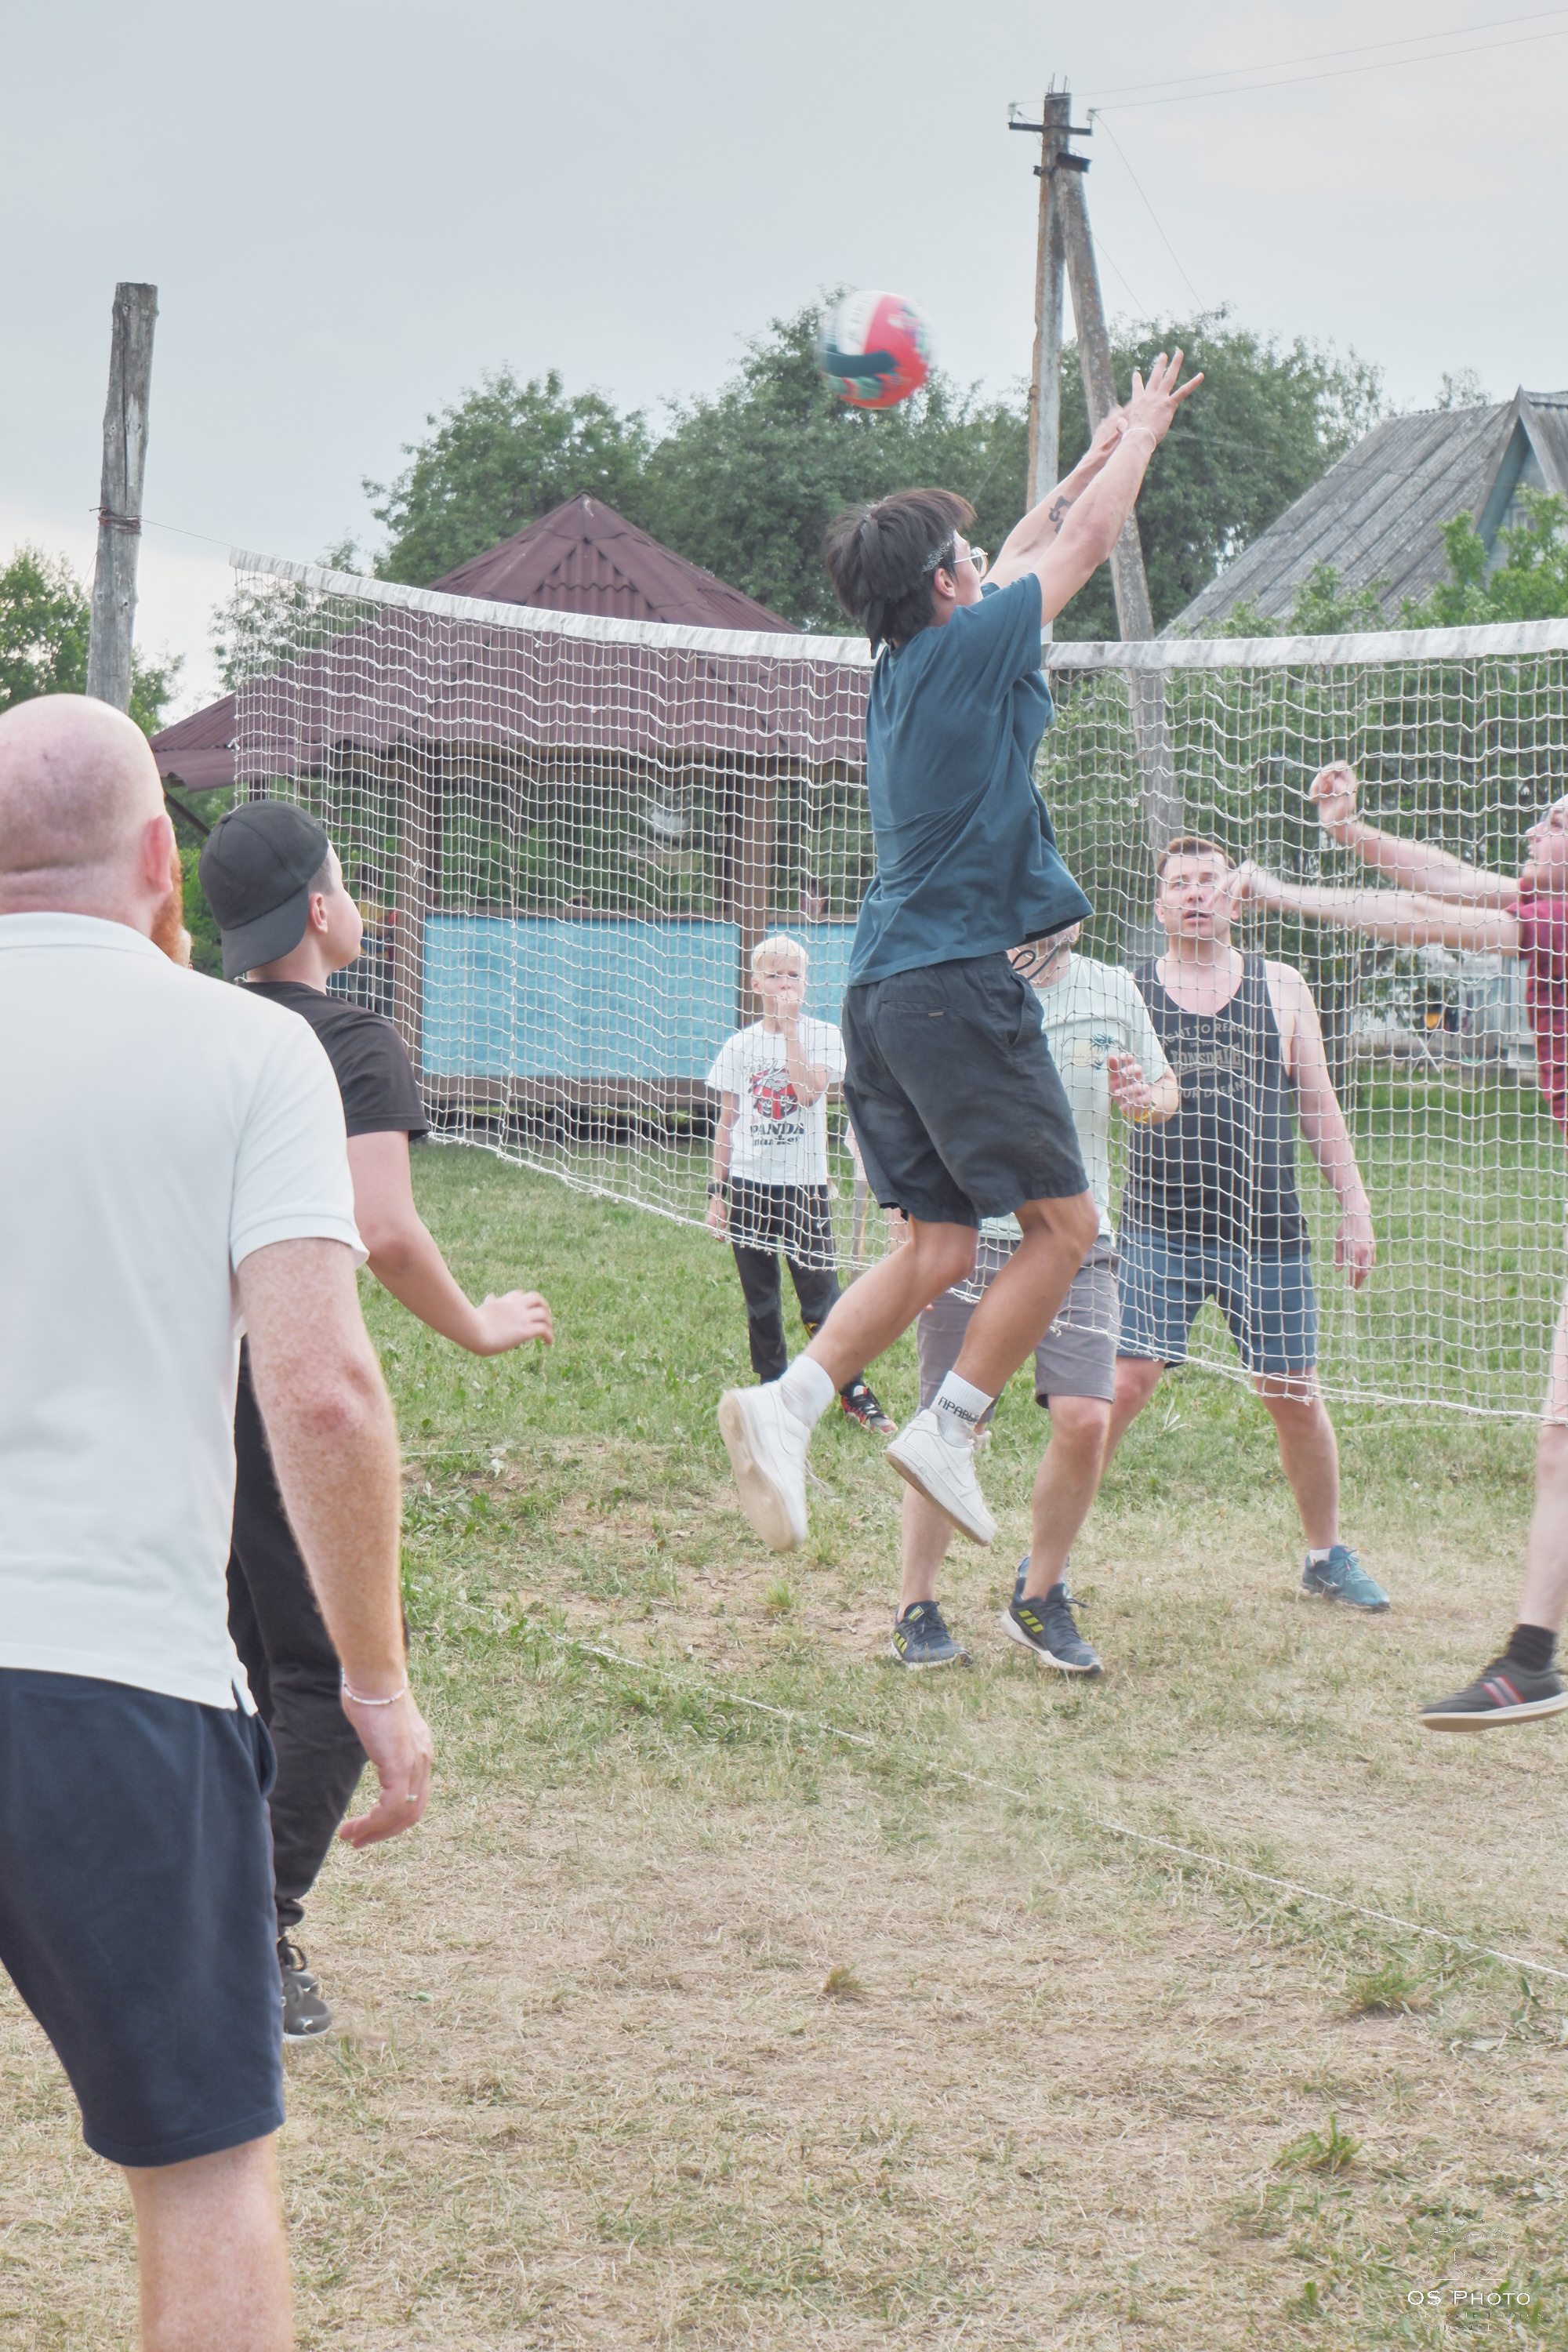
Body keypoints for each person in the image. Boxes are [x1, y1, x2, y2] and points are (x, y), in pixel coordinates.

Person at [0, 695, 432, 2350]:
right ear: (157, 858)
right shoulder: (251, 1046)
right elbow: (320, 1389)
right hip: (116, 1676)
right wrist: (376, 1687)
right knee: (204, 2173)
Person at [717, 351, 1203, 1555]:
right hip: (948, 983)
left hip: (879, 988)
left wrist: (1091, 452)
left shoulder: (900, 666)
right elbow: (1079, 544)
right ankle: (954, 1426)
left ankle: (788, 1407)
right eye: (968, 564)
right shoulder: (971, 643)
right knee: (1066, 1230)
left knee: (939, 1244)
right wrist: (1138, 435)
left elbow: (1032, 534)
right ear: (947, 583)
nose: (987, 570)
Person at [198, 799, 553, 2036]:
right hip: (279, 1381)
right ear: (316, 910)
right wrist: (478, 1323)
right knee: (331, 1678)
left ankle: (216, 1913)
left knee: (233, 1657)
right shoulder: (348, 1037)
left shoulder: (199, 1028)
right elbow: (385, 1229)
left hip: (178, 1385)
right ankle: (250, 1933)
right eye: (346, 878)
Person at [1238, 764, 1568, 1723]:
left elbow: (1420, 919)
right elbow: (1447, 877)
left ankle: (1530, 1657)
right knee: (1559, 1440)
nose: (1536, 828)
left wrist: (1285, 892)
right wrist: (1351, 833)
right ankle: (1532, 1658)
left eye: (1557, 823)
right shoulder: (1536, 904)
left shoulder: (1556, 924)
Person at [1101, 835, 1389, 1610]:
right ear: (1158, 903)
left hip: (1265, 1231)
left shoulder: (1281, 985)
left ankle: (1324, 1555)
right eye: (1179, 884)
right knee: (1120, 1385)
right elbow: (1091, 1098)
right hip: (1156, 1227)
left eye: (1209, 881)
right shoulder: (1125, 991)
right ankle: (1047, 1560)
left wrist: (1353, 1207)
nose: (1195, 894)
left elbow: (1317, 1106)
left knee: (1291, 1391)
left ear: (1232, 896)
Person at [891, 926, 1178, 1670]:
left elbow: (1162, 1090)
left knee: (1086, 1418)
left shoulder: (1113, 986)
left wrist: (1146, 1099)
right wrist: (913, 1233)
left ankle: (1039, 1596)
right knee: (944, 1426)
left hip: (1080, 1238)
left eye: (1060, 908)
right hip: (975, 1232)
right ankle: (915, 1605)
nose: (1047, 921)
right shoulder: (965, 984)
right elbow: (918, 1109)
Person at [706, 932, 894, 1435]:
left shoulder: (823, 1035)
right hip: (749, 1184)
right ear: (756, 982)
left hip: (804, 1187)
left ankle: (849, 1387)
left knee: (821, 1295)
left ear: (806, 983)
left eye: (794, 975)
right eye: (774, 974)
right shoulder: (739, 1045)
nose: (784, 983)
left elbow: (809, 1093)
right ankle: (773, 1385)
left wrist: (790, 1031)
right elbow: (726, 1123)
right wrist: (716, 1194)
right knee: (760, 1297)